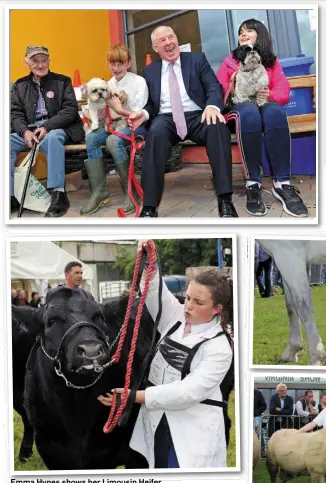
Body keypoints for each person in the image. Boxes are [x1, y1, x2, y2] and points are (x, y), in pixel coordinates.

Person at [98, 240, 234, 468]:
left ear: (217, 309)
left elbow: (187, 392)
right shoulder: (176, 317)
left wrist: (133, 397)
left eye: (198, 302)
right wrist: (150, 259)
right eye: (188, 297)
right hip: (159, 421)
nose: (188, 306)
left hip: (192, 432)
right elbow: (153, 291)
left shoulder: (219, 348)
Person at [128, 26, 238, 218]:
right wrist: (144, 114)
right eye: (162, 40)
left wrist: (212, 106)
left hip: (198, 114)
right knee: (155, 133)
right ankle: (149, 206)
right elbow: (152, 104)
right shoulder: (150, 71)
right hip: (167, 119)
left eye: (171, 37)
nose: (169, 42)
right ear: (155, 47)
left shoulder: (197, 60)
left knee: (217, 127)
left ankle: (225, 200)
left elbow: (213, 87)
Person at [216, 19, 308, 218]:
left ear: (260, 36)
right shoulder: (229, 61)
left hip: (264, 104)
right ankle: (253, 183)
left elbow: (283, 91)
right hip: (240, 110)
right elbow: (218, 88)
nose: (243, 34)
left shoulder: (270, 62)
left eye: (248, 30)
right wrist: (229, 89)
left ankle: (282, 183)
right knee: (249, 113)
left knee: (275, 111)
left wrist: (269, 95)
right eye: (240, 31)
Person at [10, 45, 84, 217]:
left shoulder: (63, 81)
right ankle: (11, 196)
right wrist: (24, 132)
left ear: (49, 61)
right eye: (35, 61)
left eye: (44, 60)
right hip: (30, 130)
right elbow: (15, 114)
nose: (41, 65)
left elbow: (69, 110)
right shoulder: (19, 86)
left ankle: (59, 194)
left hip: (57, 127)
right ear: (27, 63)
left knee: (52, 138)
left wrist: (47, 127)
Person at [81, 44, 148, 216]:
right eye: (112, 63)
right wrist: (94, 114)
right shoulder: (107, 84)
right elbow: (99, 112)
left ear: (129, 63)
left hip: (135, 125)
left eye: (120, 63)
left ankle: (131, 191)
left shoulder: (139, 82)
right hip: (112, 125)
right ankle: (100, 191)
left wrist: (121, 106)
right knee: (91, 139)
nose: (116, 68)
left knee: (113, 140)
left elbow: (138, 113)